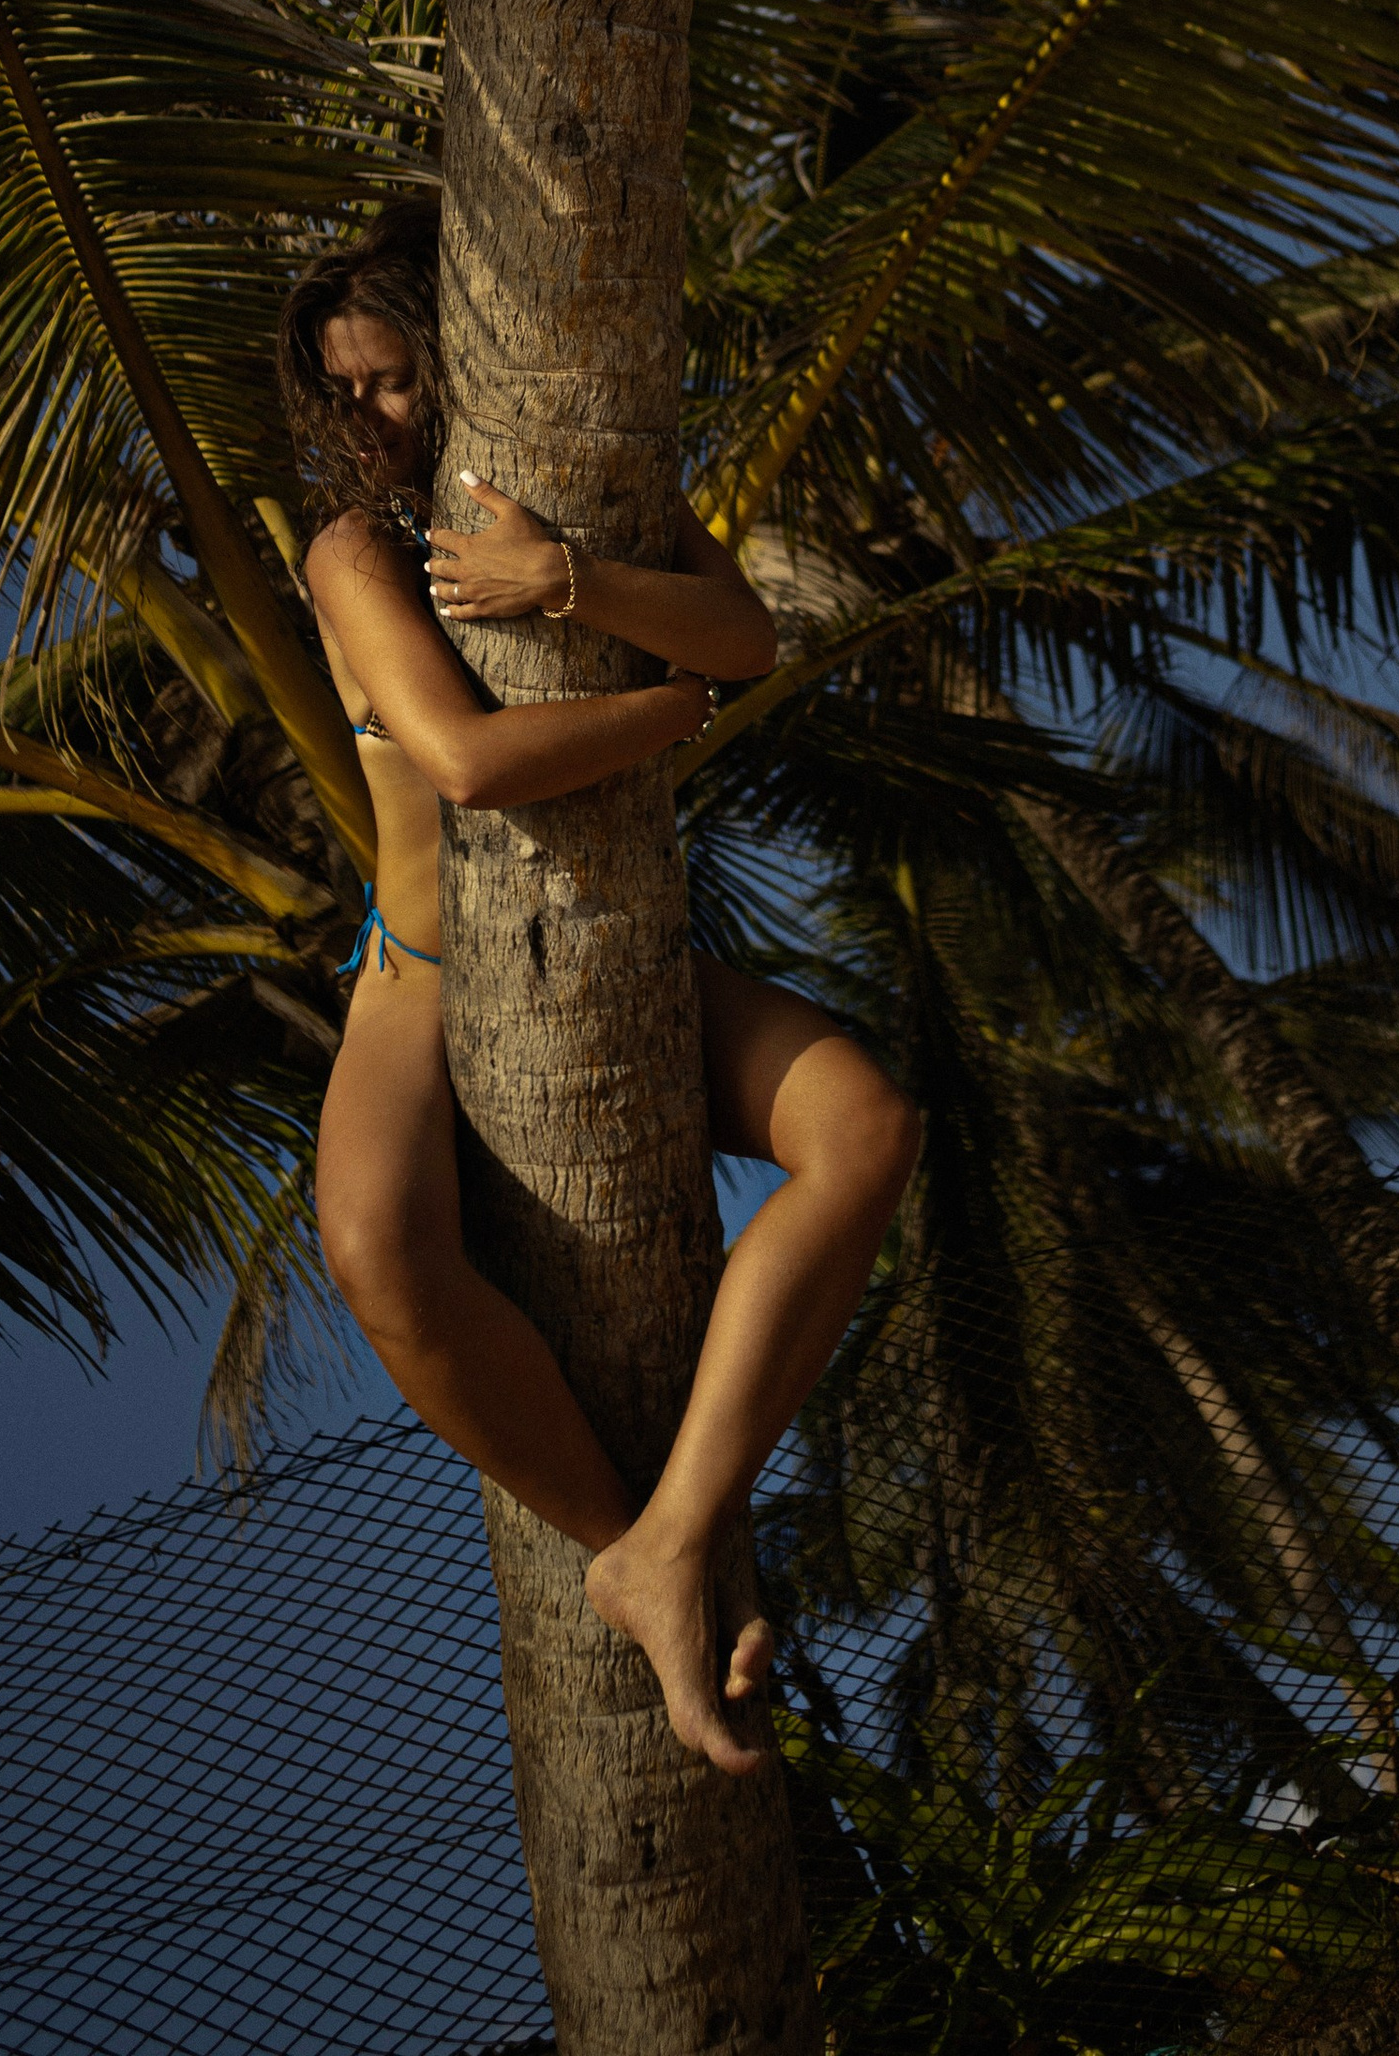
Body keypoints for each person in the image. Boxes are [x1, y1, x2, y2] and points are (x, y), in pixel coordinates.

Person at [274, 212, 919, 1776]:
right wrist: (671, 705)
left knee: (868, 1128)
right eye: (345, 395)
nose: (373, 420)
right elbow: (471, 763)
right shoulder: (355, 554)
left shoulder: (577, 489)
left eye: (397, 380)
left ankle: (673, 1530)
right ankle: (629, 1542)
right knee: (372, 1250)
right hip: (424, 981)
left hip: (611, 949)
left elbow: (749, 629)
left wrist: (566, 575)